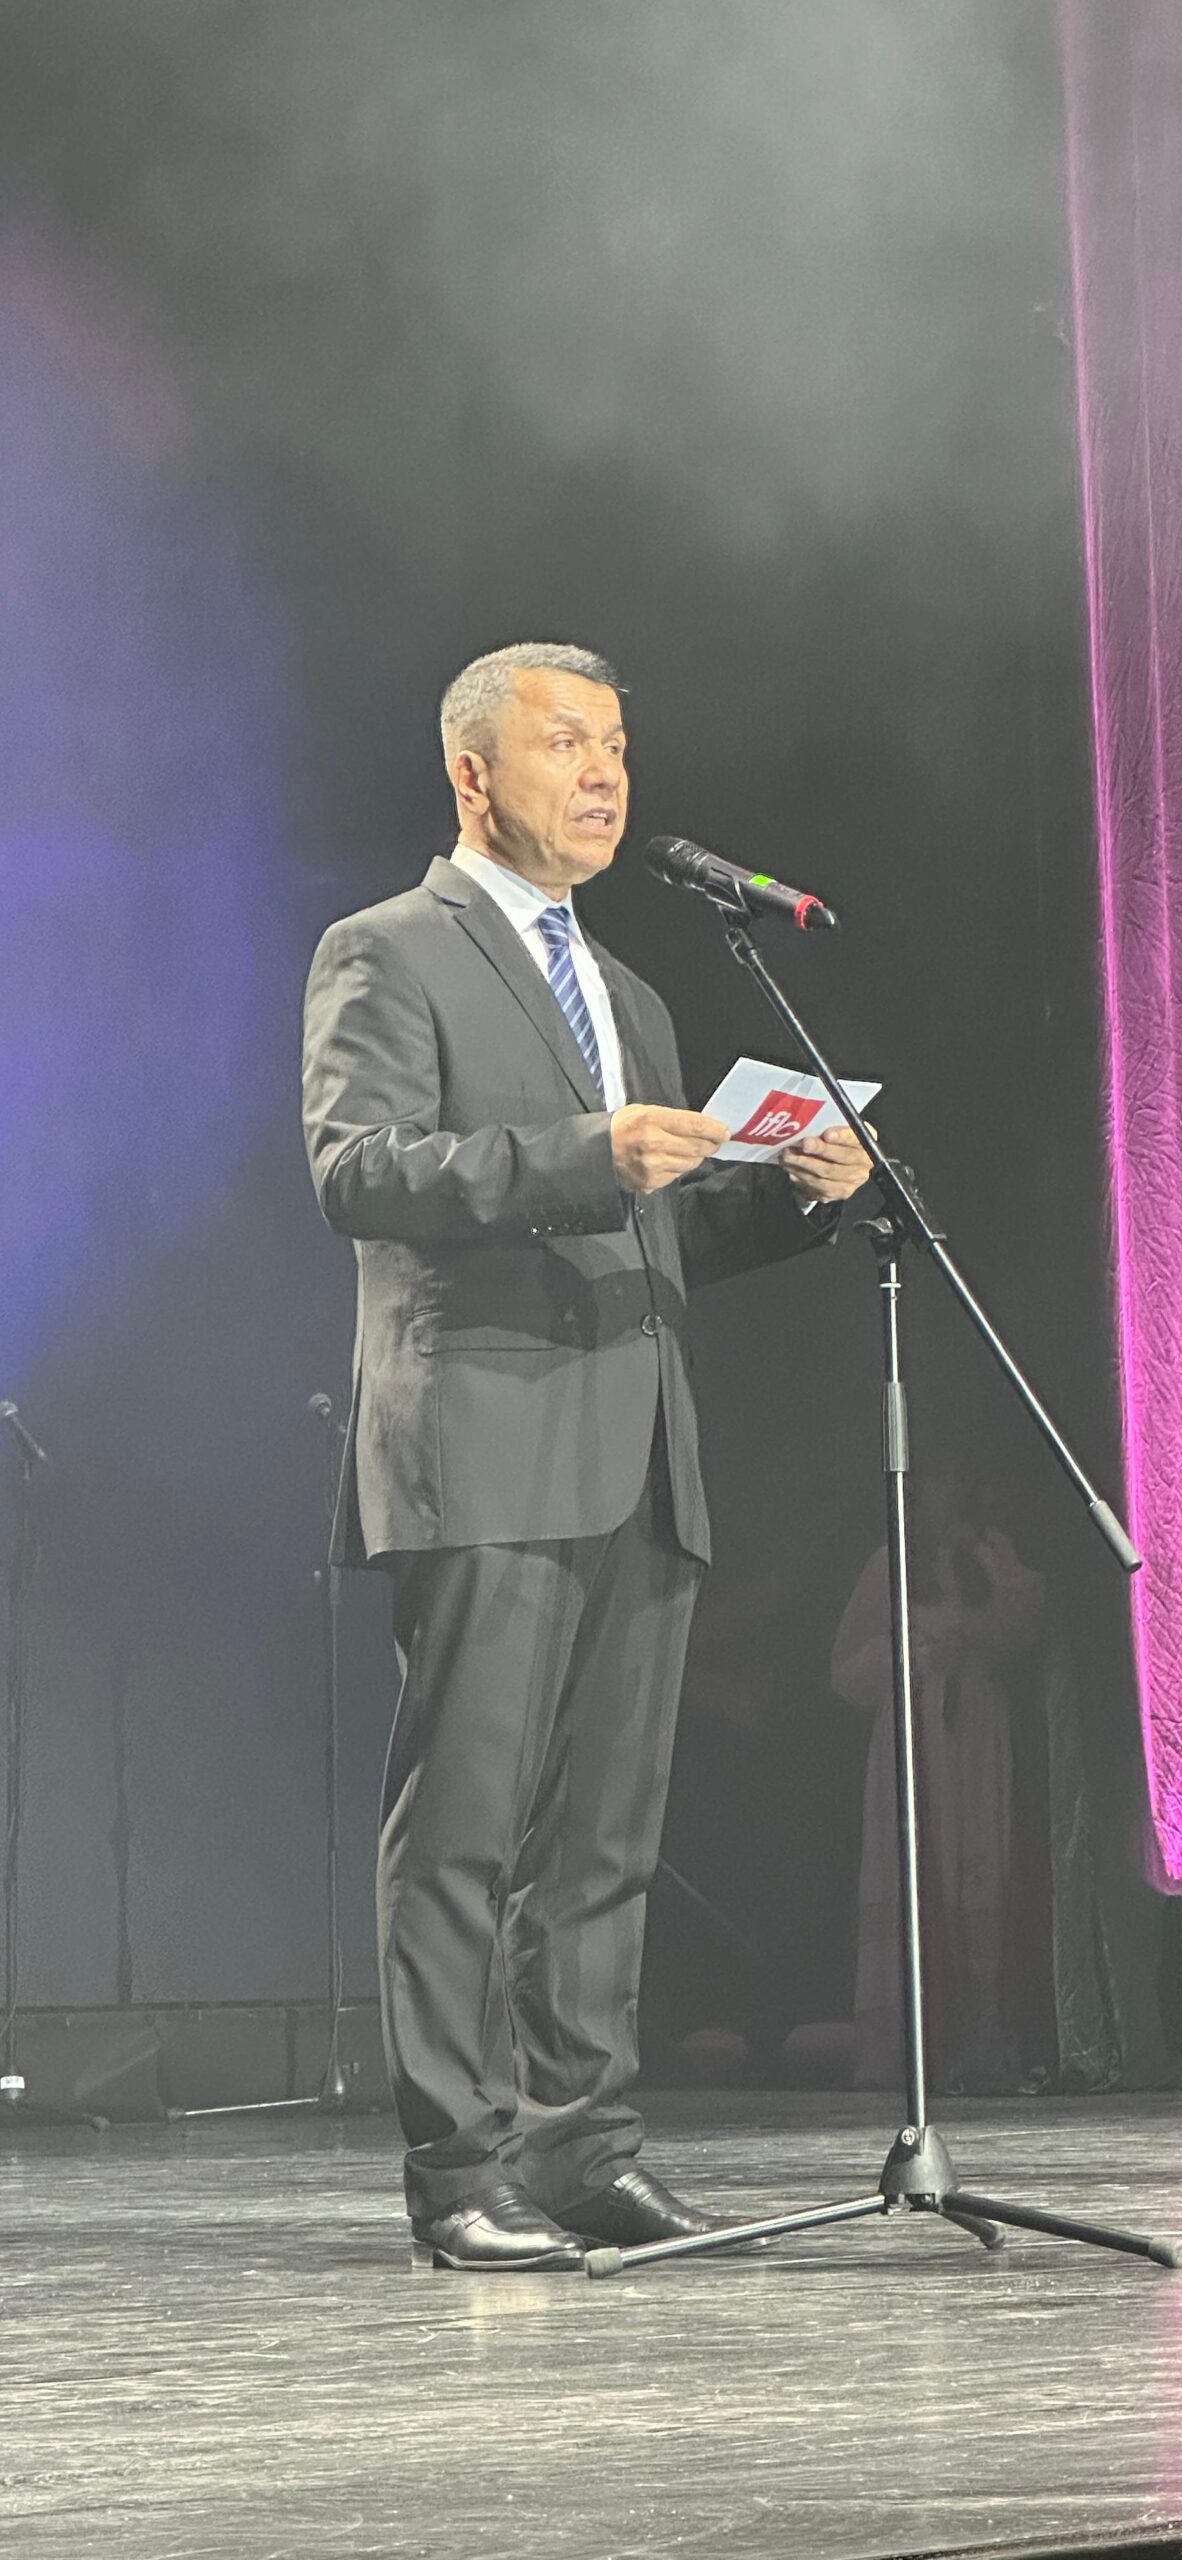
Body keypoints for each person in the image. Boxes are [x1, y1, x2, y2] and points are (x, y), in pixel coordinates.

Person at [301, 641, 870, 2268]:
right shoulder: (386, 949)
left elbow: (652, 1232)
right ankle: (455, 2167)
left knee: (608, 1841)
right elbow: (359, 1171)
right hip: (480, 1441)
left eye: (616, 744)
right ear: (474, 773)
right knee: (466, 1829)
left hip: (636, 1448)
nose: (605, 773)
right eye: (566, 744)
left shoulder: (630, 996)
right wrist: (582, 1152)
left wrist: (794, 1201)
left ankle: (582, 2148)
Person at [832, 1474, 1049, 2094]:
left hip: (978, 1729)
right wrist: (913, 1654)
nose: (947, 1497)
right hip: (915, 1727)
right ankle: (909, 2043)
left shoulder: (991, 1554)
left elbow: (1030, 1618)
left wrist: (976, 1627)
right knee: (918, 1864)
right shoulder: (889, 1564)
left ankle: (984, 2040)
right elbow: (845, 1672)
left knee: (982, 1864)